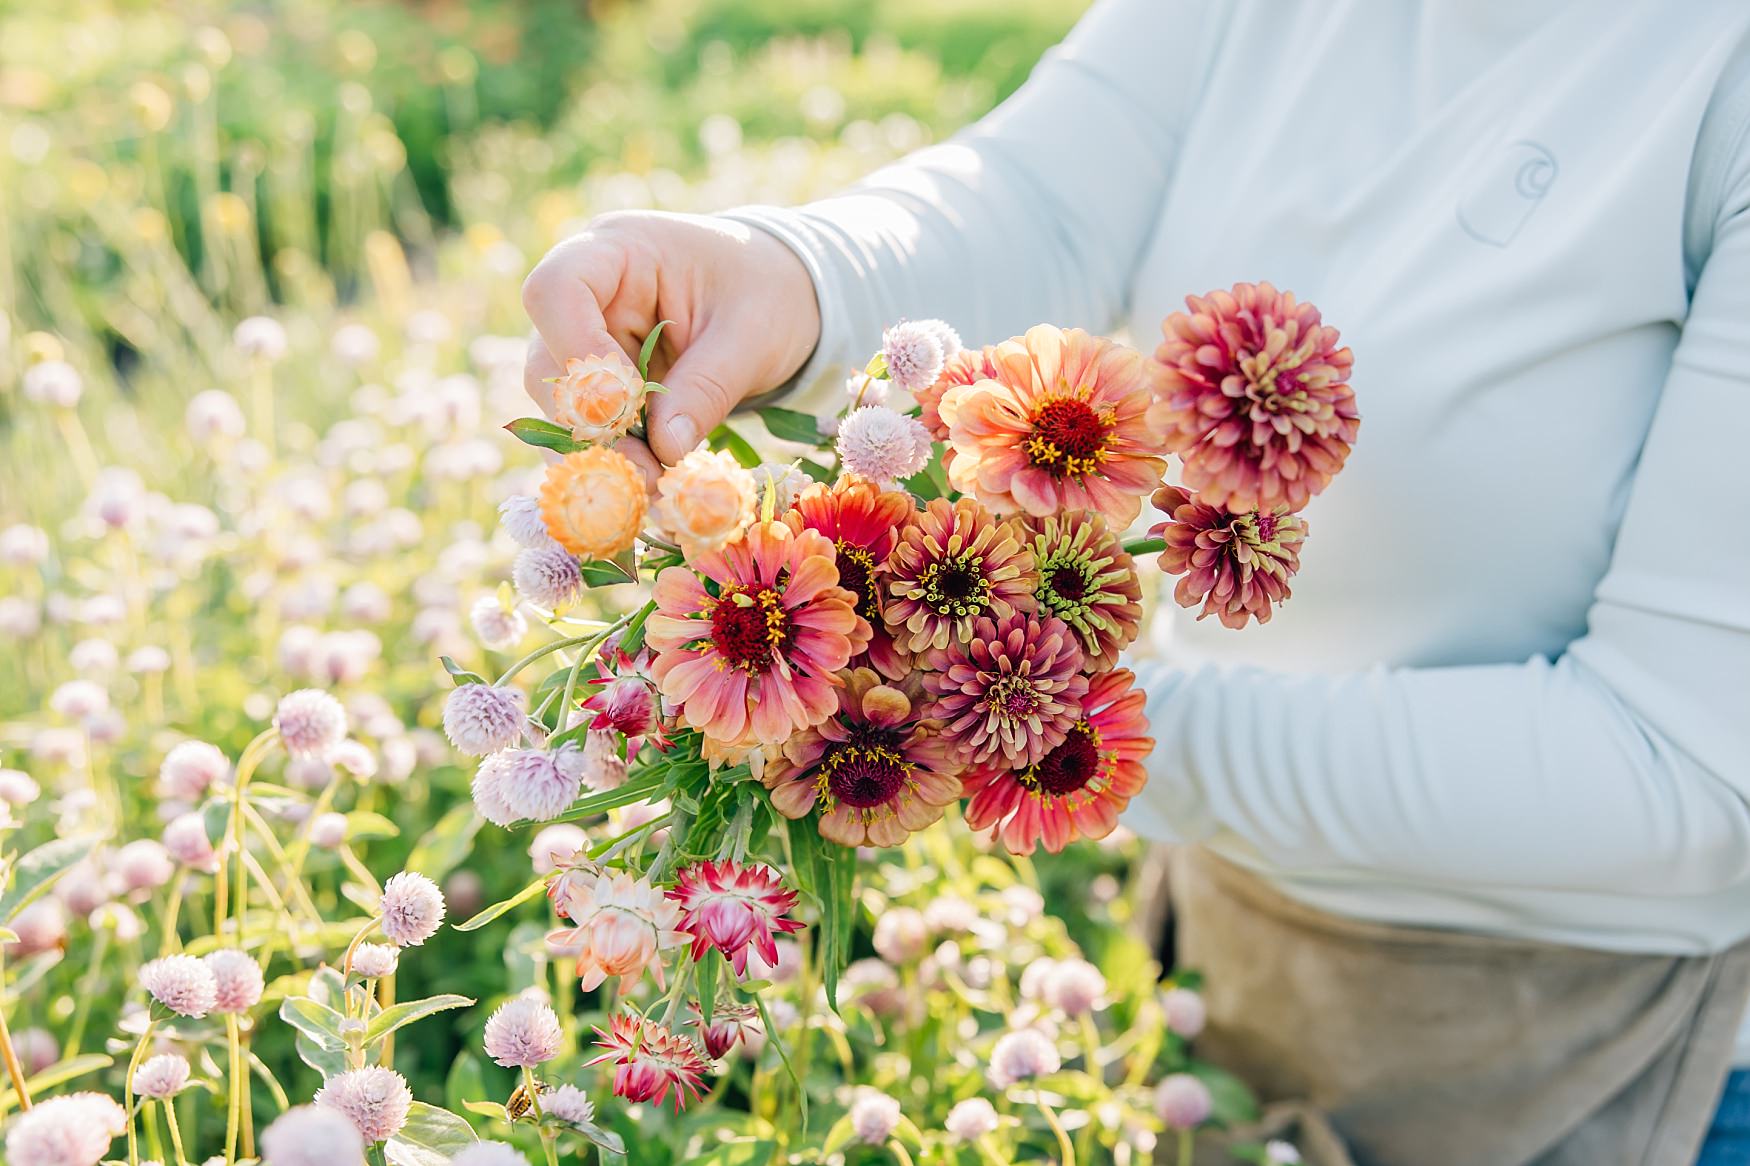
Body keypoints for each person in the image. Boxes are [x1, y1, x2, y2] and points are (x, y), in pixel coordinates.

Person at [520, 2, 1750, 1161]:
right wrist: (787, 274)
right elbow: (1048, 196)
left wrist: (1040, 724)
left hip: (1619, 1059)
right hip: (1226, 971)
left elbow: (1684, 771)